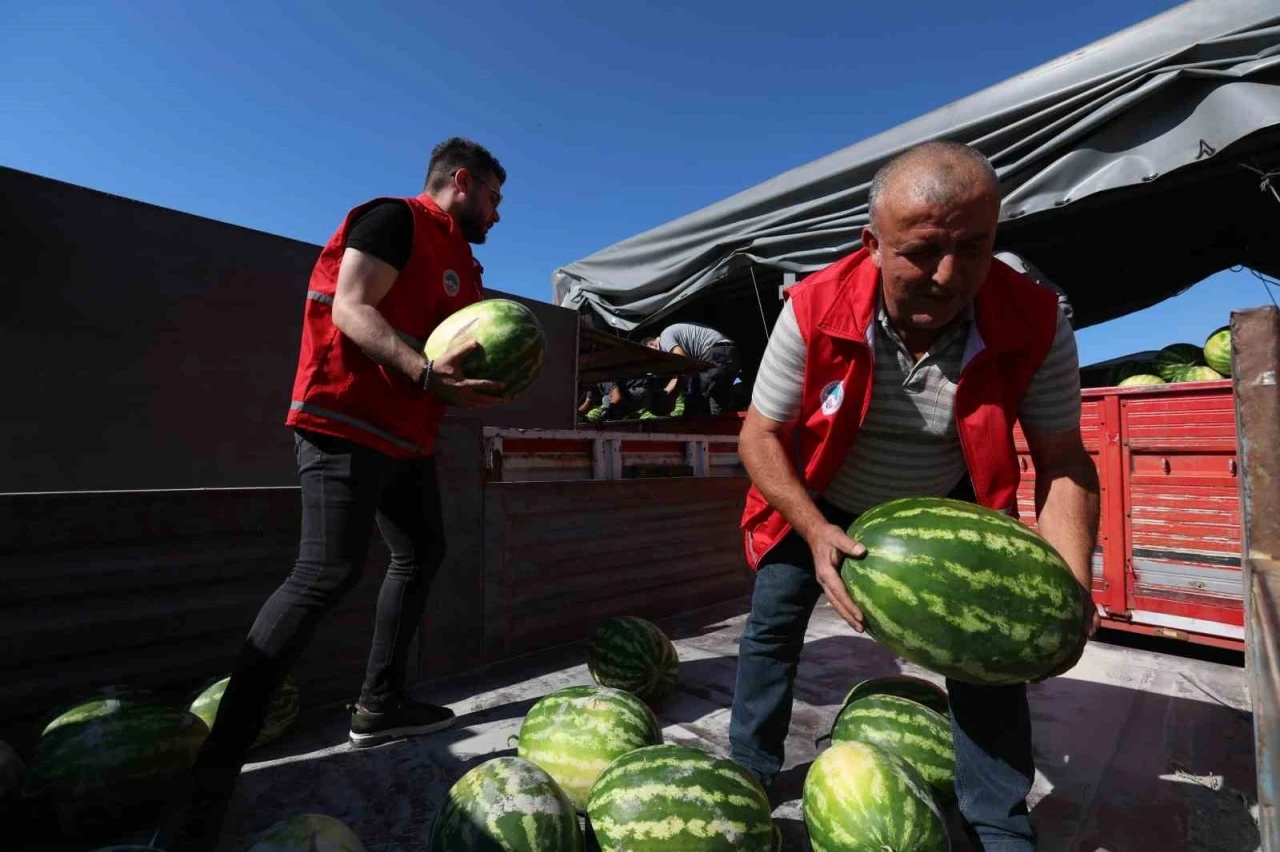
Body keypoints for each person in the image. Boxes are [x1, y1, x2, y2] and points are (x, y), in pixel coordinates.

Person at [731, 141, 1100, 851]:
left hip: (947, 495)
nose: (949, 275)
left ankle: (999, 823)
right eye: (922, 252)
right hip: (820, 495)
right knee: (772, 625)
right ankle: (750, 769)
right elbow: (760, 437)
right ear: (872, 244)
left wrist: (1071, 586)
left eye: (974, 246)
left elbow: (1063, 462)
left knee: (983, 655)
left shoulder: (1035, 318)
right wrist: (812, 529)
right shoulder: (813, 307)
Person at [160, 137, 507, 852]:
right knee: (324, 572)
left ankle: (379, 705)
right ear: (462, 181)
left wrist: (465, 384)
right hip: (343, 419)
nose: (499, 214)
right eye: (494, 198)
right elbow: (351, 308)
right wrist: (425, 374)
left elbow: (453, 350)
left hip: (404, 438)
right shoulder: (394, 219)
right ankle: (207, 784)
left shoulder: (464, 266)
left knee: (423, 550)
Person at [644, 322, 740, 415]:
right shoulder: (669, 337)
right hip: (727, 352)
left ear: (652, 345)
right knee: (716, 400)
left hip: (718, 351)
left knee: (695, 397)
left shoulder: (664, 339)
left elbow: (683, 361)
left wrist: (672, 390)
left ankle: (690, 422)